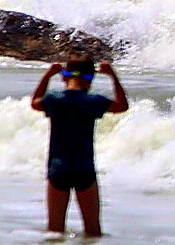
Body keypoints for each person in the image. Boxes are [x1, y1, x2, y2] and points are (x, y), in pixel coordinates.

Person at [29, 54, 129, 237]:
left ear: (64, 76)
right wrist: (112, 75)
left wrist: (48, 74)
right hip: (84, 169)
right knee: (93, 231)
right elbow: (122, 106)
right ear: (90, 78)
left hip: (58, 169)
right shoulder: (93, 101)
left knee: (55, 231)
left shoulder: (54, 99)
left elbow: (34, 103)